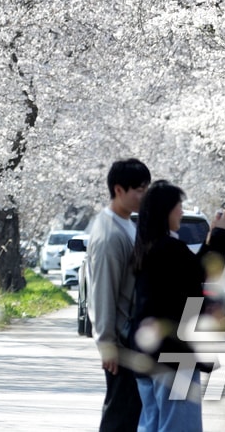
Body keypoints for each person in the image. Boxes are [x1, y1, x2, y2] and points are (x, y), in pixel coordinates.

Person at [128, 181, 225, 432]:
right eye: (178, 206)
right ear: (166, 210)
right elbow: (203, 272)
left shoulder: (147, 248)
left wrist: (211, 238)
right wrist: (220, 235)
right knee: (180, 426)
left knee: (151, 424)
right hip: (175, 354)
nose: (182, 212)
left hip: (146, 352)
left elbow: (192, 270)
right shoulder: (170, 249)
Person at [84, 157, 152, 432]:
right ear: (119, 190)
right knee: (120, 416)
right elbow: (103, 292)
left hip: (130, 337)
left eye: (146, 189)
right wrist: (107, 344)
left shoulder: (126, 223)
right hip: (121, 342)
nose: (143, 196)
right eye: (139, 190)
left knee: (129, 414)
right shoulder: (109, 234)